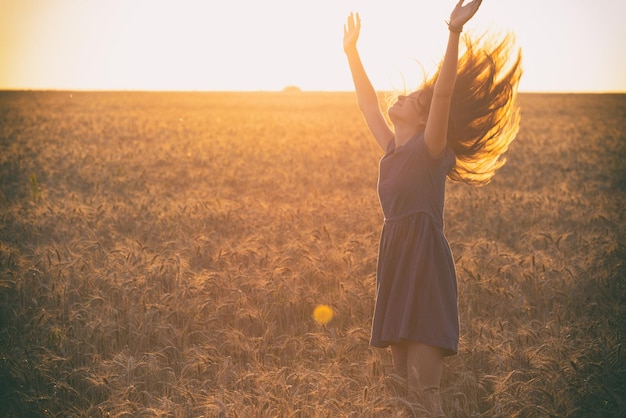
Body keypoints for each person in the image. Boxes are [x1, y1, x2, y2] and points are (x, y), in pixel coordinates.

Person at [343, 0, 521, 415]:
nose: (400, 97)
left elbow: (442, 92)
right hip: (394, 265)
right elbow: (367, 104)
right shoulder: (391, 148)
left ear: (424, 121)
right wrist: (352, 52)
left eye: (409, 99)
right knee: (401, 393)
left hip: (423, 265)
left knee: (426, 396)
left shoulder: (429, 148)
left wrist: (453, 31)